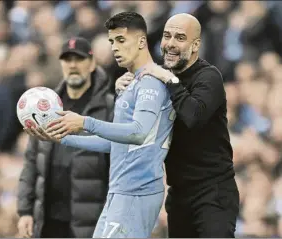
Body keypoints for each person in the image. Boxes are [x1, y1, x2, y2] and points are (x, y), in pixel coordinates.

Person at [26, 12, 175, 238]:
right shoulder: (130, 84)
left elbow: (140, 133)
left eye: (121, 40)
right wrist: (61, 138)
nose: (114, 47)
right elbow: (115, 143)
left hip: (137, 192)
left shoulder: (151, 83)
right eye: (112, 41)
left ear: (142, 41)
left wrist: (85, 122)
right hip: (119, 192)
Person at [116, 13, 240, 238]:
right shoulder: (155, 79)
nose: (171, 44)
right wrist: (124, 95)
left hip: (213, 191)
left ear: (195, 45)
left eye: (180, 38)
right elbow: (136, 132)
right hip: (178, 194)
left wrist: (169, 79)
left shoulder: (209, 77)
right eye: (167, 36)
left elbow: (193, 116)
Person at [17, 37, 114, 238]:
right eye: (67, 59)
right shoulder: (44, 106)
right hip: (48, 220)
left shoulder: (110, 107)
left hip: (90, 221)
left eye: (79, 59)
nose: (72, 65)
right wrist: (25, 211)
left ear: (92, 63)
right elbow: (32, 162)